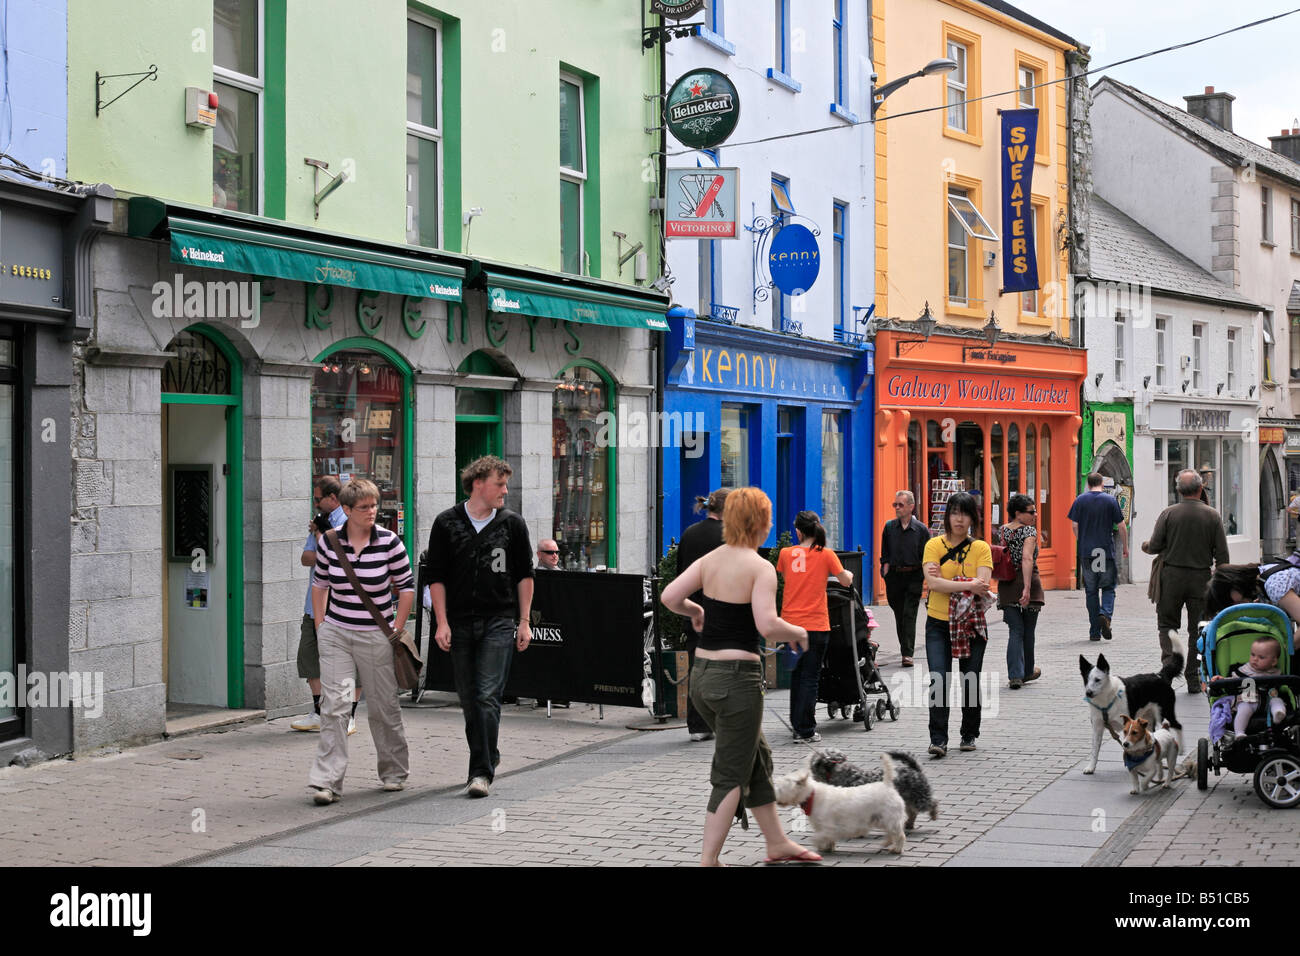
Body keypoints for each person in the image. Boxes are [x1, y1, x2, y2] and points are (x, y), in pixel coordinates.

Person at [661, 487, 818, 867]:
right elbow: (767, 625)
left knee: (756, 760)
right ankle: (708, 860)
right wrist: (797, 632)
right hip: (738, 682)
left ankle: (777, 843)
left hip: (703, 678)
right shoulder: (760, 566)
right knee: (730, 773)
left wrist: (695, 610)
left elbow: (669, 596)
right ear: (761, 523)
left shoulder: (712, 559)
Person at [427, 455, 534, 798]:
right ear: (477, 484)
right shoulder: (446, 523)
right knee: (469, 698)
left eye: (505, 484)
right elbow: (436, 577)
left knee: (488, 695)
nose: (505, 490)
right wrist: (441, 622)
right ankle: (489, 753)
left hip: (499, 620)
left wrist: (525, 620)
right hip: (458, 622)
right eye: (499, 484)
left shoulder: (512, 524)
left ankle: (480, 772)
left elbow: (524, 575)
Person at [307, 479, 415, 805]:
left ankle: (394, 772)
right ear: (347, 510)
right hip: (337, 635)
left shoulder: (389, 542)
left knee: (383, 707)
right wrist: (321, 625)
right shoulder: (329, 542)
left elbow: (406, 588)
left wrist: (396, 628)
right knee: (335, 708)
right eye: (364, 507)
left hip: (376, 636)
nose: (372, 512)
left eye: (374, 506)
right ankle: (327, 782)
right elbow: (320, 584)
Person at [1142, 469, 1230, 694]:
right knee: (1198, 630)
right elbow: (1223, 557)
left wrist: (1146, 546)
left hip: (1171, 578)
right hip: (1201, 580)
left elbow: (1154, 546)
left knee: (1167, 626)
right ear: (1200, 489)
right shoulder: (1212, 516)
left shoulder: (1168, 513)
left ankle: (1169, 672)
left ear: (1179, 490)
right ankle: (1193, 676)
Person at [921, 491, 993, 758]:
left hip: (971, 625)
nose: (959, 519)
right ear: (947, 516)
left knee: (970, 680)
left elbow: (982, 586)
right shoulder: (934, 546)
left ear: (972, 517)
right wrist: (967, 583)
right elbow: (933, 585)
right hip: (938, 624)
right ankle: (938, 739)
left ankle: (969, 733)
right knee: (938, 680)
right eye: (954, 513)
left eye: (964, 513)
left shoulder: (981, 548)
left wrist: (949, 583)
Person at [292, 477, 361, 735]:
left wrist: (321, 534)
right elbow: (306, 558)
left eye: (318, 498)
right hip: (315, 605)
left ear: (334, 498)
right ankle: (320, 711)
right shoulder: (321, 522)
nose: (315, 503)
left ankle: (349, 715)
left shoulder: (350, 523)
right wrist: (322, 538)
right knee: (310, 658)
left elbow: (340, 559)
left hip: (344, 606)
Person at [778, 511, 853, 742]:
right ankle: (805, 729)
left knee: (797, 676)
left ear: (798, 531)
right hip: (816, 623)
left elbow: (783, 576)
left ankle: (797, 725)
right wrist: (846, 572)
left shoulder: (785, 554)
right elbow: (846, 580)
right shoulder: (826, 554)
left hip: (790, 624)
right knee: (810, 677)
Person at [676, 489, 730, 742]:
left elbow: (679, 575)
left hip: (693, 611)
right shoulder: (731, 537)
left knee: (698, 669)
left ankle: (698, 725)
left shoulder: (689, 534)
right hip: (724, 613)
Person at [1068, 473, 1129, 641]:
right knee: (1108, 587)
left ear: (1088, 484)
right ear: (1102, 484)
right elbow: (1122, 526)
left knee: (1091, 591)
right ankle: (1105, 614)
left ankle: (1094, 631)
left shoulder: (1080, 500)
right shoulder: (1110, 501)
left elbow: (1074, 524)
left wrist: (1082, 539)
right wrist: (1125, 546)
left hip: (1088, 551)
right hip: (1104, 551)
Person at [997, 493, 1045, 689]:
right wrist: (1026, 587)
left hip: (1007, 583)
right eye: (1031, 512)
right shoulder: (1029, 532)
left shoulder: (1002, 531)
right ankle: (1027, 671)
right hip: (1028, 583)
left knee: (1015, 630)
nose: (1035, 515)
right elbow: (1026, 559)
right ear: (1018, 513)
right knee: (1028, 631)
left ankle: (1015, 674)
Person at [879, 489, 931, 667]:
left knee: (909, 614)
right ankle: (905, 648)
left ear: (911, 507)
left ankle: (907, 654)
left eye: (901, 505)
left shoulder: (921, 530)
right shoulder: (889, 527)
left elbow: (927, 555)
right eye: (895, 504)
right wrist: (885, 569)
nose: (897, 508)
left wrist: (926, 576)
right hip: (894, 576)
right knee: (899, 614)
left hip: (914, 576)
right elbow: (884, 552)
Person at [1212, 636, 1289, 747]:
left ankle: (1278, 713)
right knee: (1244, 708)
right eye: (1252, 655)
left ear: (1273, 661)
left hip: (1268, 701)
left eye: (1261, 657)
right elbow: (1232, 680)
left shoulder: (1276, 673)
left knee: (1277, 700)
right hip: (1249, 700)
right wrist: (1222, 680)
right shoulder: (1244, 670)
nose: (1255, 659)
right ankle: (1239, 732)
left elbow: (1284, 687)